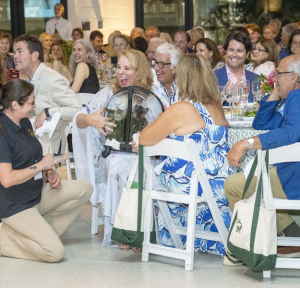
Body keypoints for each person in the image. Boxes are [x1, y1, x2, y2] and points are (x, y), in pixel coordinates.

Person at [139, 54, 231, 256]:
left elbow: (144, 138)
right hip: (218, 184)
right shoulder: (217, 106)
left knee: (153, 173)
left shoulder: (182, 108)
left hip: (188, 185)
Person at [0, 79, 92, 262]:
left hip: (36, 194)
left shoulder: (24, 122)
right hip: (14, 206)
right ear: (14, 105)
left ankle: (40, 235)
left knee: (85, 188)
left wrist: (48, 172)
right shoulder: (2, 132)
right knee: (55, 253)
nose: (34, 107)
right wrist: (41, 166)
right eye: (31, 102)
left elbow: (33, 158)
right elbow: (7, 179)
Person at [72, 49, 154, 247]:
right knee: (118, 165)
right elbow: (79, 118)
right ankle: (121, 230)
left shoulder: (152, 95)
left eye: (127, 68)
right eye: (119, 67)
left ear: (140, 71)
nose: (120, 73)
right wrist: (91, 119)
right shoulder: (109, 92)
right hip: (115, 153)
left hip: (148, 153)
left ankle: (143, 229)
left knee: (141, 166)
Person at [224, 54, 300, 262]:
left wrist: (245, 143)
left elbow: (292, 133)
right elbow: (262, 123)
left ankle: (257, 246)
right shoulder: (292, 98)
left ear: (294, 77)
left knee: (233, 184)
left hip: (294, 177)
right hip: (291, 172)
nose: (275, 78)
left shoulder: (297, 97)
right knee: (256, 182)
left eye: (279, 75)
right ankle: (291, 234)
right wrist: (277, 90)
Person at [13, 34, 82, 155]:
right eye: (14, 52)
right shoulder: (27, 79)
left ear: (34, 55)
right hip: (27, 139)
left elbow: (77, 109)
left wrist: (48, 112)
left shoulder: (51, 79)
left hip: (48, 143)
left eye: (19, 52)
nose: (15, 56)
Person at [214, 32, 259, 102]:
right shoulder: (212, 77)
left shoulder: (256, 79)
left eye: (239, 51)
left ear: (247, 54)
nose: (234, 54)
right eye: (231, 50)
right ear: (225, 52)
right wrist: (223, 95)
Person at [153, 42, 183, 106]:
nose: (156, 68)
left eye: (162, 64)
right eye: (155, 62)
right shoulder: (150, 85)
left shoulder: (185, 88)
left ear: (174, 68)